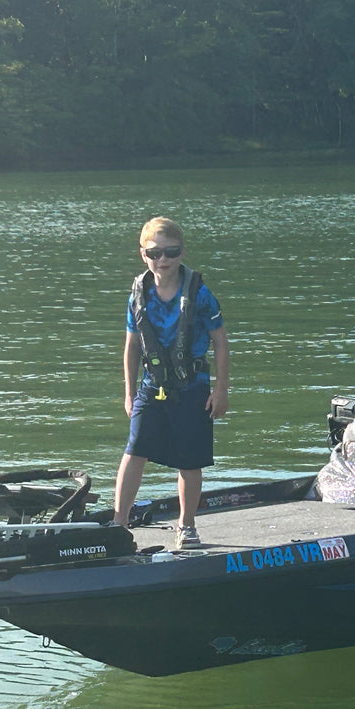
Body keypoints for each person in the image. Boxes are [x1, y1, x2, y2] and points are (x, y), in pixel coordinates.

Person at [113, 217, 229, 550]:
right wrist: (129, 392)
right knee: (135, 451)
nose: (163, 260)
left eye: (171, 252)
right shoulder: (138, 294)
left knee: (189, 461)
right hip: (152, 385)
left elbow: (220, 342)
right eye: (155, 253)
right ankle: (119, 524)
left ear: (182, 252)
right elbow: (132, 346)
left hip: (193, 387)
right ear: (143, 254)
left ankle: (187, 527)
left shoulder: (200, 293)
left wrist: (221, 390)